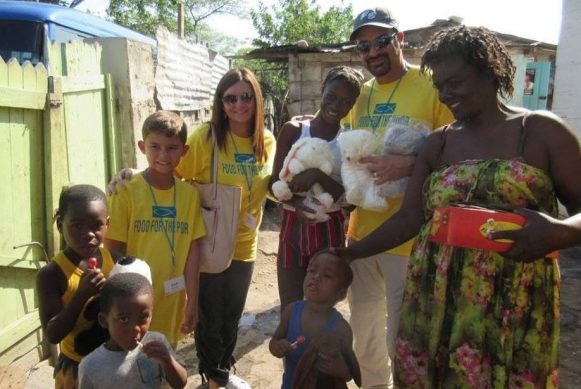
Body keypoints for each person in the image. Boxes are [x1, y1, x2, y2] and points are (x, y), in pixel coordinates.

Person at [337, 25, 581, 387]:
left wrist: (558, 231)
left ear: (488, 71)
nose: (445, 94)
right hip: (438, 299)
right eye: (439, 86)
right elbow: (410, 218)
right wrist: (348, 255)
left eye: (455, 82)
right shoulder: (439, 144)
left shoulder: (541, 132)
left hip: (513, 299)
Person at [340, 7, 454, 388]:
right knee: (365, 336)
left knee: (402, 340)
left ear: (400, 39)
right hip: (362, 233)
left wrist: (408, 163)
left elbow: (457, 149)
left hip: (410, 235)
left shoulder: (432, 84)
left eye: (381, 41)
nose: (372, 52)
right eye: (363, 46)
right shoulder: (359, 95)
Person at [105, 111, 206, 348]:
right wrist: (131, 288)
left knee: (162, 361)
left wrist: (192, 300)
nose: (163, 155)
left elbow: (193, 252)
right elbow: (112, 248)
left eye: (172, 148)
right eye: (155, 146)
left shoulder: (189, 196)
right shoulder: (126, 191)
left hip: (172, 300)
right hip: (133, 303)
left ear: (184, 151)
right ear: (142, 147)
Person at [270, 65, 364, 312]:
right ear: (322, 91)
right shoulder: (294, 130)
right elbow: (273, 184)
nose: (336, 105)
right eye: (331, 96)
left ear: (353, 104)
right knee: (290, 306)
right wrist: (297, 205)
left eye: (346, 102)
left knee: (320, 307)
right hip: (293, 225)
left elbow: (349, 199)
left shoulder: (347, 142)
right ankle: (293, 350)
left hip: (329, 229)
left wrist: (317, 174)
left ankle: (318, 351)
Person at [36, 184, 117, 388]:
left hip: (114, 365)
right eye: (77, 225)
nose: (88, 234)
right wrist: (82, 294)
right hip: (76, 370)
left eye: (96, 225)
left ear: (107, 224)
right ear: (60, 225)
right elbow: (53, 334)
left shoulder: (115, 261)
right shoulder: (52, 274)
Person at [269, 249, 361, 389]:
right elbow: (274, 342)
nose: (316, 277)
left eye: (327, 276)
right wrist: (278, 347)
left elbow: (350, 372)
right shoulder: (291, 312)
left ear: (341, 293)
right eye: (312, 271)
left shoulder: (341, 329)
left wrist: (338, 368)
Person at [78, 272, 187, 389]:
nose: (136, 329)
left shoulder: (157, 342)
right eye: (124, 319)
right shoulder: (91, 366)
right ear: (104, 320)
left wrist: (167, 361)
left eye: (143, 318)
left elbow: (180, 383)